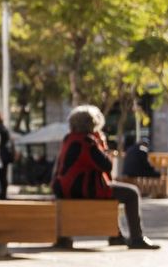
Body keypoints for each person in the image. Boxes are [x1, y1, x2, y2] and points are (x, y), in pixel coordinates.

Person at [52, 104, 159, 249]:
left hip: (65, 188)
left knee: (113, 189)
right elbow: (106, 165)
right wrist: (102, 143)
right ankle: (136, 238)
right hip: (84, 188)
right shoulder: (87, 141)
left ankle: (117, 235)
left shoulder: (68, 138)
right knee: (131, 192)